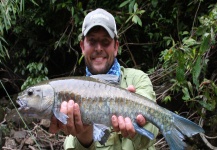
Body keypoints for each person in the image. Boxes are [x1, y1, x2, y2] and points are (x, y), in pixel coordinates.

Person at [49, 8, 159, 150]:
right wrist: (84, 136)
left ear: (116, 47)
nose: (99, 48)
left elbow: (152, 130)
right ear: (82, 46)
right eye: (92, 41)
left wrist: (138, 119)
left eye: (105, 41)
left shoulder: (138, 79)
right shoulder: (72, 92)